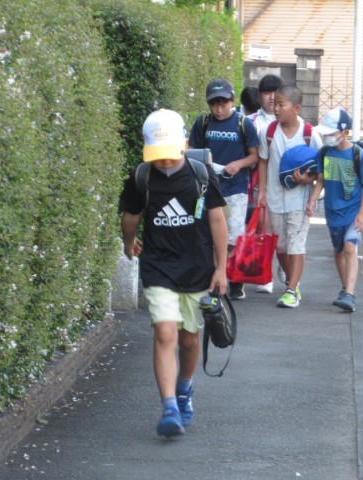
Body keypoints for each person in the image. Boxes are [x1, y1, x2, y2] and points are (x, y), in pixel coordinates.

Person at [119, 109, 228, 438]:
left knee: (189, 339)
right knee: (165, 333)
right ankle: (169, 407)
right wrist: (128, 243)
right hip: (158, 267)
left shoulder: (201, 175)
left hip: (197, 269)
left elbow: (217, 220)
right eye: (158, 156)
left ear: (184, 144)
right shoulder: (141, 177)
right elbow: (130, 216)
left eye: (169, 154)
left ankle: (183, 389)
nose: (164, 162)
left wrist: (222, 268)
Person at [189, 79, 259, 300]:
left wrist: (238, 164)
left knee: (232, 237)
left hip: (236, 188)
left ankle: (231, 278)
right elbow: (191, 152)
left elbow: (255, 156)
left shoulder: (243, 123)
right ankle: (216, 278)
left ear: (232, 101)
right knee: (211, 233)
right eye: (214, 104)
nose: (219, 109)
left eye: (223, 104)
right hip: (208, 186)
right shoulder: (202, 123)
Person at [257, 85, 322, 308]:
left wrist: (308, 181)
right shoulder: (268, 132)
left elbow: (321, 171)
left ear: (296, 108)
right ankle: (290, 280)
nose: (275, 108)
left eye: (281, 104)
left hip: (299, 201)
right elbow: (263, 161)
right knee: (281, 247)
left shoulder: (310, 134)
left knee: (296, 245)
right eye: (274, 104)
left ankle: (291, 290)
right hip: (275, 199)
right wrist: (262, 192)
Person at [307, 108, 363, 312]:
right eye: (325, 133)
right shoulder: (324, 153)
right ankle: (346, 289)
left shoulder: (358, 154)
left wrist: (361, 214)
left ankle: (350, 294)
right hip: (332, 213)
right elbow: (320, 180)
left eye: (331, 133)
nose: (327, 137)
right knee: (338, 251)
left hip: (353, 212)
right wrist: (312, 200)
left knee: (349, 248)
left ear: (345, 132)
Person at [248, 74, 284, 294]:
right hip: (261, 184)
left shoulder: (292, 120)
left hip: (287, 187)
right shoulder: (251, 121)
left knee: (285, 233)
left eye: (275, 93)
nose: (271, 97)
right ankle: (266, 274)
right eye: (266, 93)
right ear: (259, 95)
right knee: (265, 229)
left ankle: (284, 264)